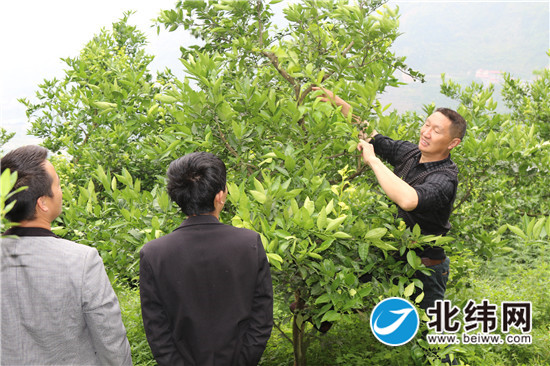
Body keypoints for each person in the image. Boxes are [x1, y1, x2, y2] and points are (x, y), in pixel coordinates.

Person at [313, 87, 466, 310]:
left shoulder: (445, 178)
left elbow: (409, 200)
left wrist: (374, 162)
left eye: (437, 131)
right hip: (391, 258)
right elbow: (373, 136)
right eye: (426, 125)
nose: (426, 133)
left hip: (425, 269)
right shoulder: (410, 153)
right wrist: (339, 104)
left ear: (452, 143)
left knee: (427, 337)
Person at [1, 145, 132, 366]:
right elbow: (111, 343)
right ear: (43, 202)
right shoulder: (82, 260)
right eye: (58, 185)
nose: (61, 192)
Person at [139, 152, 273, 366]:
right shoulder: (249, 244)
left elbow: (157, 330)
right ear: (220, 196)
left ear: (177, 197)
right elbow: (262, 318)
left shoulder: (154, 254)